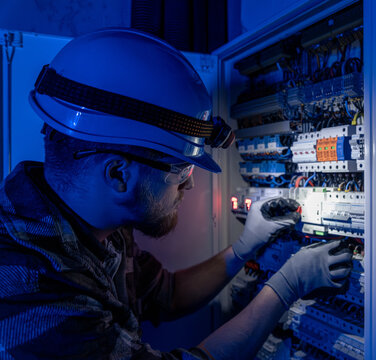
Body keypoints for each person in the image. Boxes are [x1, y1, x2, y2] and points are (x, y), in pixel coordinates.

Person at [0, 28, 352, 359]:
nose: (191, 185)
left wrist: (242, 248)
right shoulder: (31, 290)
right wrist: (286, 286)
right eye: (181, 171)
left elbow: (164, 296)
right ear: (118, 175)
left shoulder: (102, 225)